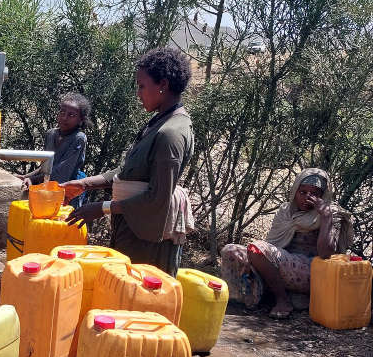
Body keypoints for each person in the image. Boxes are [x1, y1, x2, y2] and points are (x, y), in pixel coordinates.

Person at [63, 47, 196, 276]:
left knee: (135, 288)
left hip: (146, 237)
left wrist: (102, 208)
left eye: (142, 86)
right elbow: (129, 171)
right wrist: (85, 184)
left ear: (163, 84)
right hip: (130, 225)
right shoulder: (158, 122)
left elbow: (157, 198)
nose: (138, 93)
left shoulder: (171, 133)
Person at [219, 168, 354, 318]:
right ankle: (238, 299)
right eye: (303, 192)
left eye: (314, 194)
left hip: (312, 271)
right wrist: (253, 258)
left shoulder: (332, 213)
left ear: (323, 196)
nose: (307, 198)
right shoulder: (286, 211)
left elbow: (326, 254)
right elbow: (271, 244)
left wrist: (326, 217)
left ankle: (282, 300)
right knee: (231, 250)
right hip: (281, 263)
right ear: (295, 191)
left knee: (258, 248)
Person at [21, 93, 91, 207]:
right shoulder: (51, 134)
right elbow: (46, 167)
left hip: (68, 188)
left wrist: (33, 179)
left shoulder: (79, 138)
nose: (64, 118)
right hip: (48, 185)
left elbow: (62, 173)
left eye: (71, 115)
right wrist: (25, 177)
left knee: (65, 216)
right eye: (62, 112)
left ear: (81, 120)